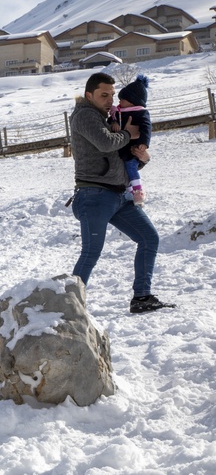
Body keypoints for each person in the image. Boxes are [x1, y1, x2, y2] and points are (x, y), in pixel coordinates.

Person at [70, 71, 174, 314]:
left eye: (112, 95)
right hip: (94, 195)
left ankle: (142, 297)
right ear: (89, 95)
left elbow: (122, 159)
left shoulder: (108, 118)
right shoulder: (85, 115)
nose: (110, 100)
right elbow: (107, 143)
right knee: (91, 252)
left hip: (119, 195)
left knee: (149, 238)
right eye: (103, 95)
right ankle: (70, 307)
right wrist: (129, 134)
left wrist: (143, 159)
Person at [111, 75, 152, 205]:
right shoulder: (118, 113)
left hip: (132, 149)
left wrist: (144, 143)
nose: (119, 101)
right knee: (123, 169)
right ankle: (129, 192)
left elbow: (146, 127)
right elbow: (110, 121)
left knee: (130, 166)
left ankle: (138, 191)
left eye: (123, 99)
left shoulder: (141, 113)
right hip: (120, 149)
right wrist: (113, 123)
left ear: (133, 101)